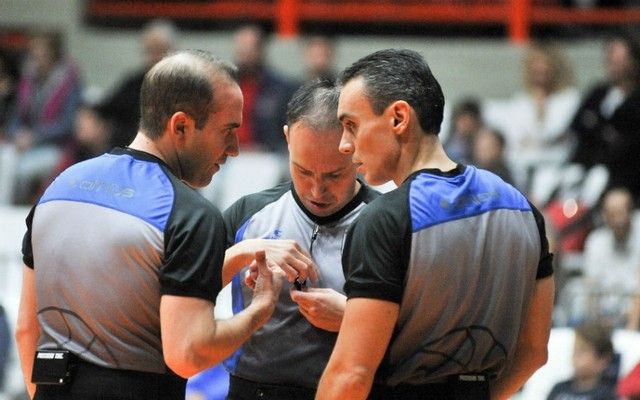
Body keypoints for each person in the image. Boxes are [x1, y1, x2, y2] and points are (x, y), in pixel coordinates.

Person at [14, 50, 285, 400]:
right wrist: (260, 310)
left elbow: (27, 330)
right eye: (227, 130)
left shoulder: (59, 188)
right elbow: (188, 354)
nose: (234, 148)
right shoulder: (190, 215)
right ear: (181, 126)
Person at [316, 49, 555, 400]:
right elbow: (534, 352)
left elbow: (351, 375)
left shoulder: (385, 219)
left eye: (352, 125)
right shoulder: (522, 208)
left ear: (399, 118)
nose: (344, 145)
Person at [217, 78, 378, 400]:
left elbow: (421, 331)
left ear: (356, 145)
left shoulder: (387, 222)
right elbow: (186, 296)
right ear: (288, 139)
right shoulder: (249, 214)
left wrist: (354, 319)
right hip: (251, 390)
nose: (317, 191)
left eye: (334, 175)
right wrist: (242, 254)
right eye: (303, 171)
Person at [483, 40, 580, 191]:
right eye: (536, 65)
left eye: (546, 65)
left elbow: (561, 134)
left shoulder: (569, 99)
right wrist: (545, 143)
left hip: (558, 171)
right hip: (523, 174)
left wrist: (536, 142)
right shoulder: (520, 102)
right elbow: (515, 142)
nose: (541, 70)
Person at [5, 28, 82, 205]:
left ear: (53, 54)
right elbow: (16, 116)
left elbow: (67, 125)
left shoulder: (69, 82)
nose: (35, 56)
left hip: (55, 146)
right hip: (24, 143)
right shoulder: (28, 79)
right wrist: (17, 135)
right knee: (5, 159)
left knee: (20, 171)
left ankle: (12, 211)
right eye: (32, 51)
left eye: (40, 50)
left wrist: (34, 137)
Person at [569, 31, 640, 202]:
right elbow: (577, 124)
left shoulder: (636, 99)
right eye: (610, 60)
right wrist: (606, 131)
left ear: (634, 62)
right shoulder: (598, 93)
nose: (613, 66)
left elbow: (627, 142)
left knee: (597, 179)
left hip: (622, 175)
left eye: (619, 61)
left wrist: (596, 125)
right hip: (585, 163)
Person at [97, 19, 178, 149]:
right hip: (125, 148)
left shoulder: (181, 87)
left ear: (172, 52)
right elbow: (106, 109)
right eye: (149, 51)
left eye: (158, 50)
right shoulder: (134, 82)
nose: (153, 57)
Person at [581, 187, 640, 328]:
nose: (617, 220)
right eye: (612, 214)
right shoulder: (596, 241)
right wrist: (594, 325)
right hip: (604, 315)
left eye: (620, 213)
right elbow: (591, 287)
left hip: (633, 314)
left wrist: (630, 330)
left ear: (631, 212)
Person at [546, 323, 617, 400]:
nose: (576, 355)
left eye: (582, 350)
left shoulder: (606, 395)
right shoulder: (559, 388)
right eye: (575, 349)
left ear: (602, 360)